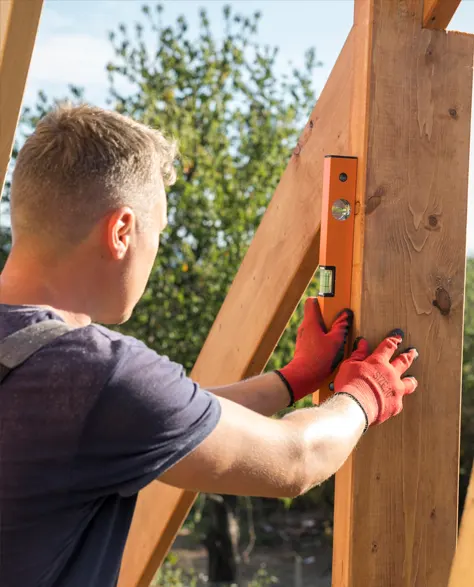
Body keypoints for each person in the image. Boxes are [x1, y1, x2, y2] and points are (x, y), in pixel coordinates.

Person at [0, 105, 418, 587]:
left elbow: (166, 416)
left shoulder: (78, 385)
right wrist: (365, 395)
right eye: (156, 232)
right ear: (120, 232)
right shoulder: (98, 377)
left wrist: (293, 379)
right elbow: (296, 460)